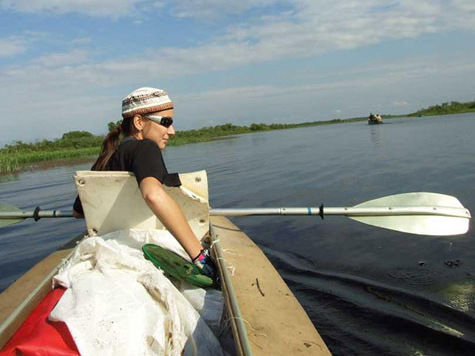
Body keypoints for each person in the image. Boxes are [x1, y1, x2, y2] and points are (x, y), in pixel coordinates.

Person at [73, 87, 217, 280]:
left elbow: (77, 211)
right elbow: (153, 195)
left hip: (108, 245)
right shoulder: (146, 148)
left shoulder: (106, 157)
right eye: (166, 123)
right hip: (145, 244)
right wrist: (200, 257)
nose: (172, 131)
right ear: (139, 122)